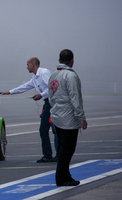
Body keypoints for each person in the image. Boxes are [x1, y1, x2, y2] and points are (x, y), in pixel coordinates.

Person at [0, 57, 58, 163]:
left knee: (56, 130)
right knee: (43, 130)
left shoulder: (44, 73)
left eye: (28, 65)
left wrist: (41, 94)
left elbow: (53, 87)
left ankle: (59, 155)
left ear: (33, 65)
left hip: (54, 104)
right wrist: (9, 92)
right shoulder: (35, 78)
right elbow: (24, 87)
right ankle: (47, 155)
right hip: (47, 104)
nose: (26, 67)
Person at [48, 49, 88, 186]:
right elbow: (75, 99)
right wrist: (81, 117)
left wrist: (55, 112)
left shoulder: (53, 75)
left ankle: (65, 175)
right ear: (72, 61)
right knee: (67, 150)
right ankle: (61, 178)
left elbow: (51, 98)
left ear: (59, 60)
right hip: (69, 119)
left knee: (62, 149)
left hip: (57, 117)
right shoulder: (71, 76)